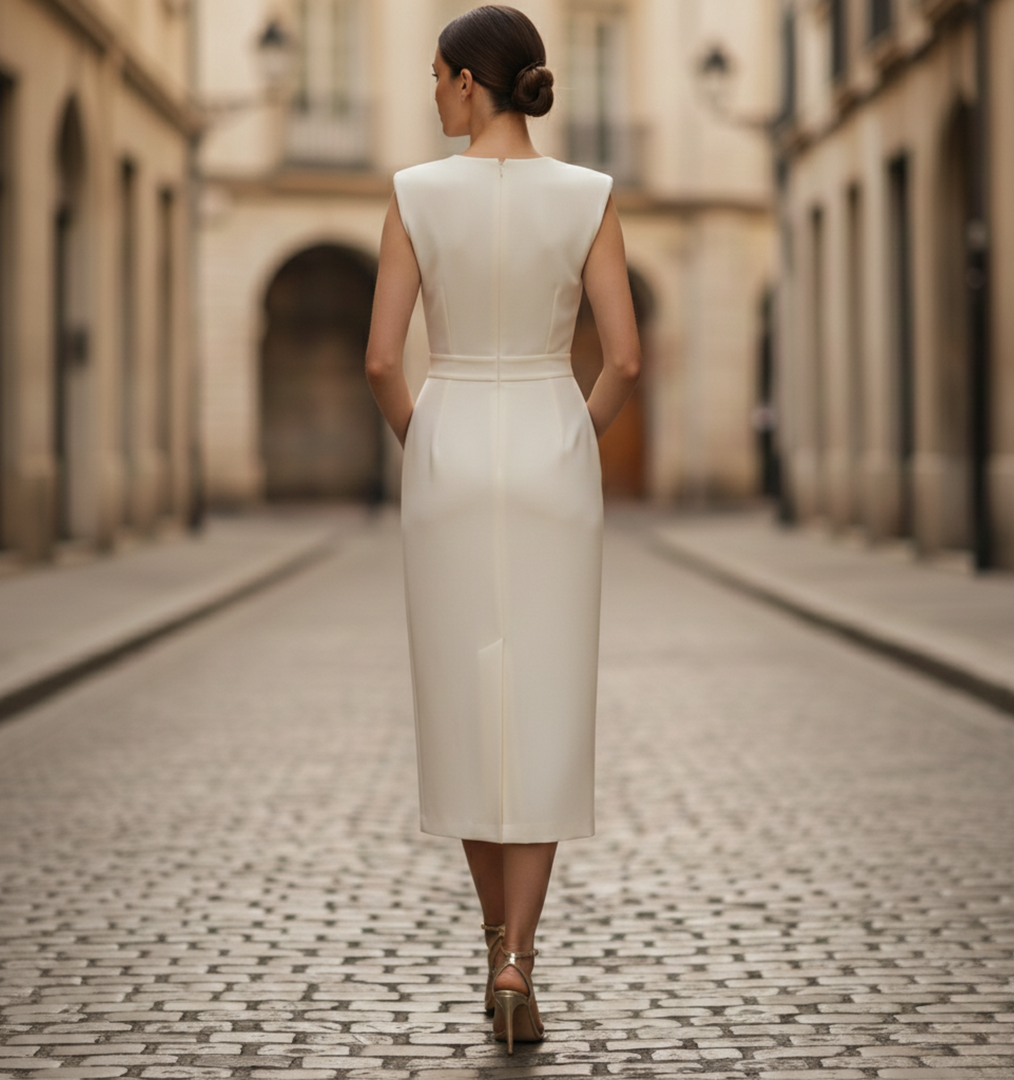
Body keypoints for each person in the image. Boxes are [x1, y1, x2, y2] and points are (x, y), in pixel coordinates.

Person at [365, 4, 641, 1054]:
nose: (433, 94)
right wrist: (574, 435)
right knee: (544, 704)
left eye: (437, 78)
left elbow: (382, 360)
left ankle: (493, 946)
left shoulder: (413, 193)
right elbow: (624, 358)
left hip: (448, 449)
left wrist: (425, 439)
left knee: (464, 704)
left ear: (467, 82)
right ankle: (522, 954)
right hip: (549, 447)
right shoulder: (589, 194)